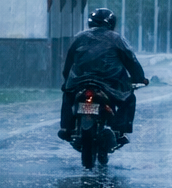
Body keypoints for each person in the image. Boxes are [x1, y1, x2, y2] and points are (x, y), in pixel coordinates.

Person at [59, 8, 147, 144]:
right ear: (111, 23)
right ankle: (120, 131)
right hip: (110, 83)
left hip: (79, 82)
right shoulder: (117, 39)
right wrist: (139, 78)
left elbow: (68, 63)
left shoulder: (79, 37)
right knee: (129, 98)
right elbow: (131, 61)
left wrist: (67, 81)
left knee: (67, 95)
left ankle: (66, 128)